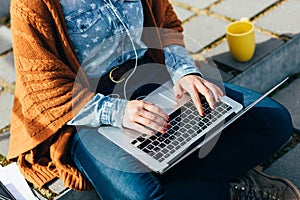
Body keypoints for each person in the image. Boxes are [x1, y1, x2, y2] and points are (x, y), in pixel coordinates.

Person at [7, 0, 300, 199]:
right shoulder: (32, 5)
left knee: (274, 122)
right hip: (87, 108)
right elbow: (42, 84)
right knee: (142, 197)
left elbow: (165, 23)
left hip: (154, 77)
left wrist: (184, 71)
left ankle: (176, 173)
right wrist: (117, 112)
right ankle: (231, 191)